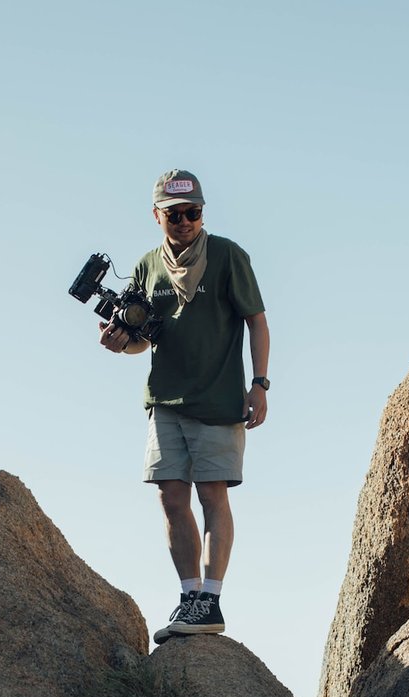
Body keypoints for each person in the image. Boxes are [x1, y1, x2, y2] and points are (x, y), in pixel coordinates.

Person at [98, 168, 271, 644]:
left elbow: (257, 321)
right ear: (157, 215)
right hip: (164, 401)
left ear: (202, 213)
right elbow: (141, 341)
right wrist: (120, 344)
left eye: (193, 212)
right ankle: (190, 595)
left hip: (217, 398)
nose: (185, 221)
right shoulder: (146, 266)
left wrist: (260, 384)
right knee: (170, 496)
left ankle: (210, 600)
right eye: (175, 214)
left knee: (212, 495)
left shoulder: (227, 256)